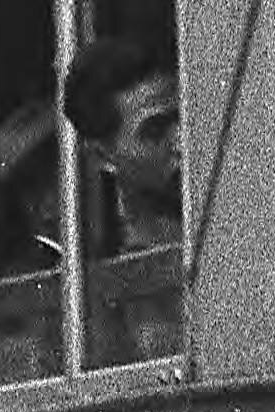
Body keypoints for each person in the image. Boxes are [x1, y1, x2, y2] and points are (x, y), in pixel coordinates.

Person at [64, 36, 189, 364]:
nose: (182, 142)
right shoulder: (112, 280)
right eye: (155, 131)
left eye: (184, 119)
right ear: (103, 157)